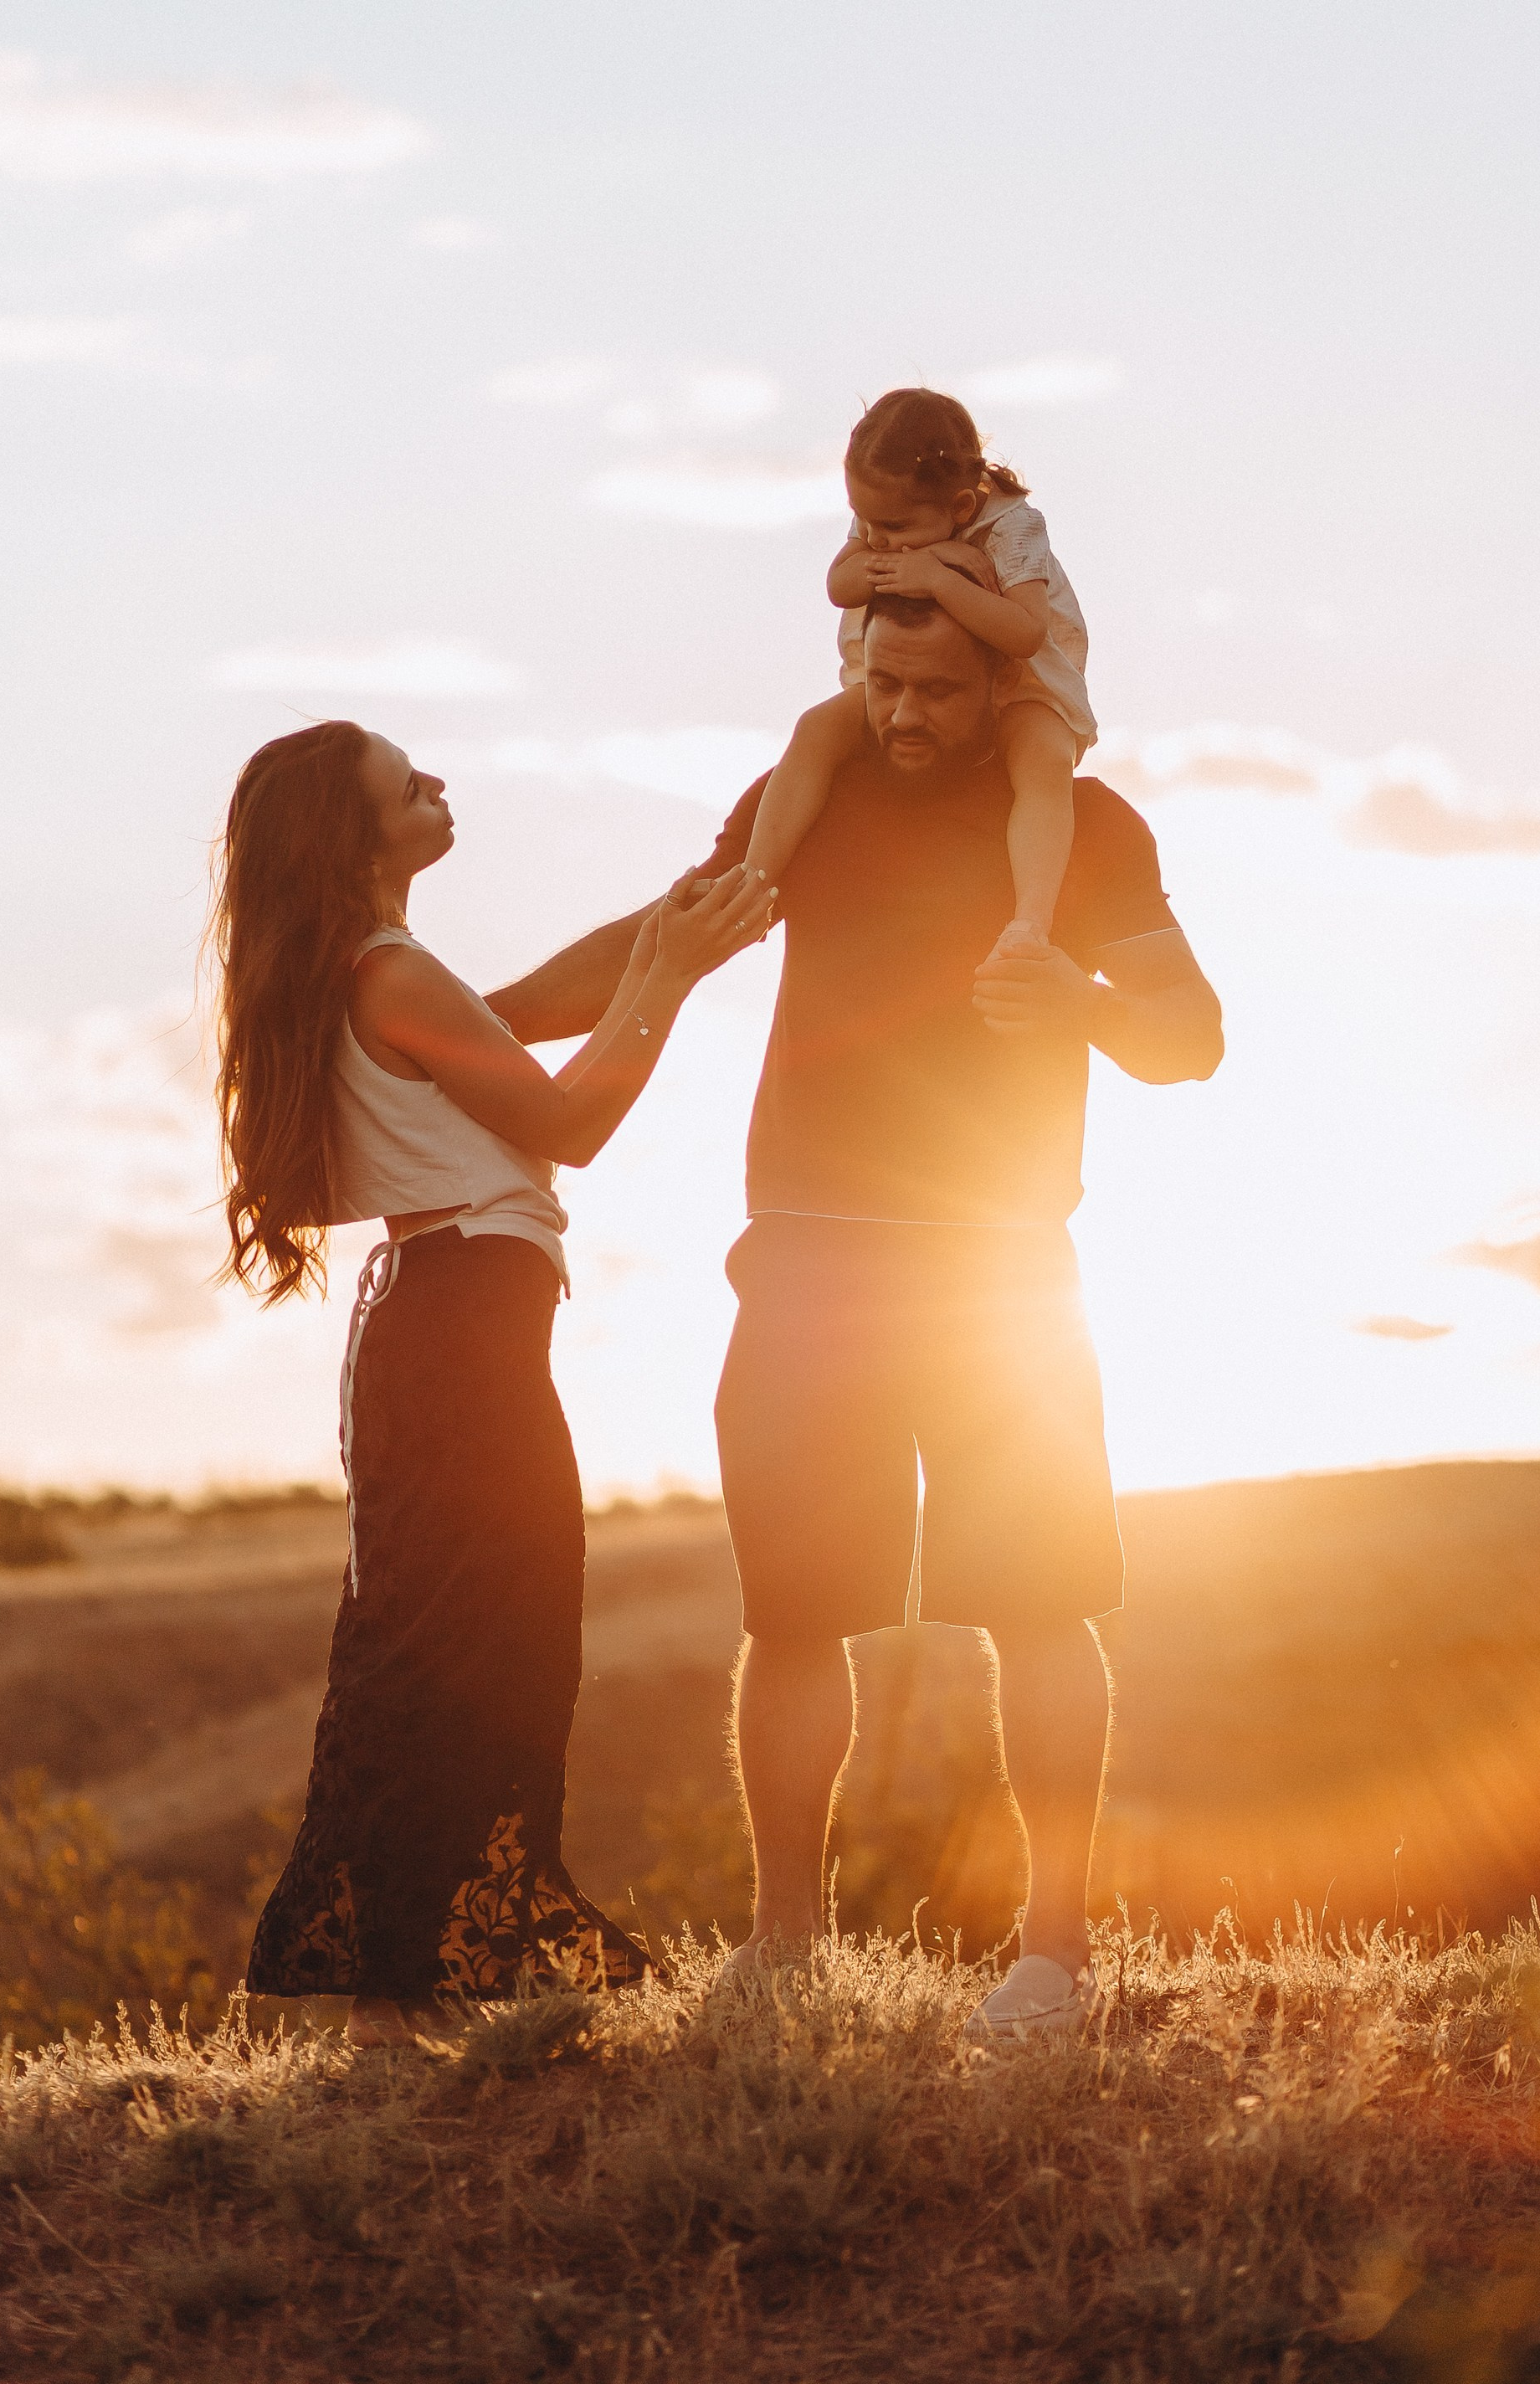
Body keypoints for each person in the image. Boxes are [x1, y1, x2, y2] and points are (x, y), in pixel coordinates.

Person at [495, 594, 1222, 2039]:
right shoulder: (802, 795)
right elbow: (665, 938)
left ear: (1006, 686)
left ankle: (1053, 1955)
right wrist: (470, 1017)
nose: (901, 714)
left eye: (938, 691)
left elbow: (1190, 1037)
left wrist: (1074, 995)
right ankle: (785, 1945)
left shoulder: (1090, 828)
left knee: (1041, 1607)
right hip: (809, 1270)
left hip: (1002, 1280)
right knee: (794, 1617)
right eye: (881, 682)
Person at [211, 718, 773, 2046]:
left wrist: (700, 898)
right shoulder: (392, 975)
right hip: (458, 1325)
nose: (439, 785)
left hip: (439, 1321)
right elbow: (571, 1123)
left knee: (460, 1639)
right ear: (356, 836)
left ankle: (412, 1977)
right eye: (408, 784)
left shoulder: (380, 972)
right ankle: (398, 1994)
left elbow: (551, 1002)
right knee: (466, 1647)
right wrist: (677, 980)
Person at [744, 388, 1095, 963]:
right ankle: (751, 886)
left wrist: (938, 581)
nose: (877, 539)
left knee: (1043, 766)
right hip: (907, 680)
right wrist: (912, 558)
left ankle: (1030, 923)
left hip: (1022, 683)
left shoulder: (1014, 528)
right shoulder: (886, 518)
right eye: (866, 522)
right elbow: (840, 586)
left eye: (893, 526)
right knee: (817, 728)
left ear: (960, 509)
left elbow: (1027, 633)